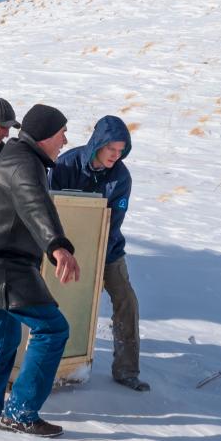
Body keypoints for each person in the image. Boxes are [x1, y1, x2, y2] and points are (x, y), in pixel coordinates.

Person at [0, 104, 82, 438]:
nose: (65, 141)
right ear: (45, 135)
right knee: (52, 329)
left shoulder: (15, 157)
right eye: (62, 133)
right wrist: (57, 245)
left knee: (6, 334)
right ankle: (21, 413)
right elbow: (34, 204)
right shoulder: (24, 164)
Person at [49, 115, 147, 391]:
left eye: (120, 151)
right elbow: (50, 208)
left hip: (107, 249)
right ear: (98, 145)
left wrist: (97, 254)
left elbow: (114, 221)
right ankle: (53, 363)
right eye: (111, 149)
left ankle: (127, 370)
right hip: (64, 248)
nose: (116, 155)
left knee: (127, 300)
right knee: (60, 300)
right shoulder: (66, 164)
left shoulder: (121, 177)